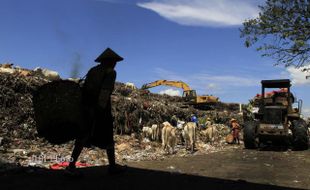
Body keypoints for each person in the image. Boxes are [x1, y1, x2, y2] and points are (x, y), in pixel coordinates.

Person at [66, 48, 126, 175]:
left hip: (86, 105)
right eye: (114, 61)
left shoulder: (92, 70)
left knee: (82, 135)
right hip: (100, 108)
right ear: (109, 61)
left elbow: (85, 87)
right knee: (108, 134)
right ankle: (112, 166)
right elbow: (105, 91)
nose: (115, 64)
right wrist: (100, 108)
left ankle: (71, 166)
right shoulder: (111, 72)